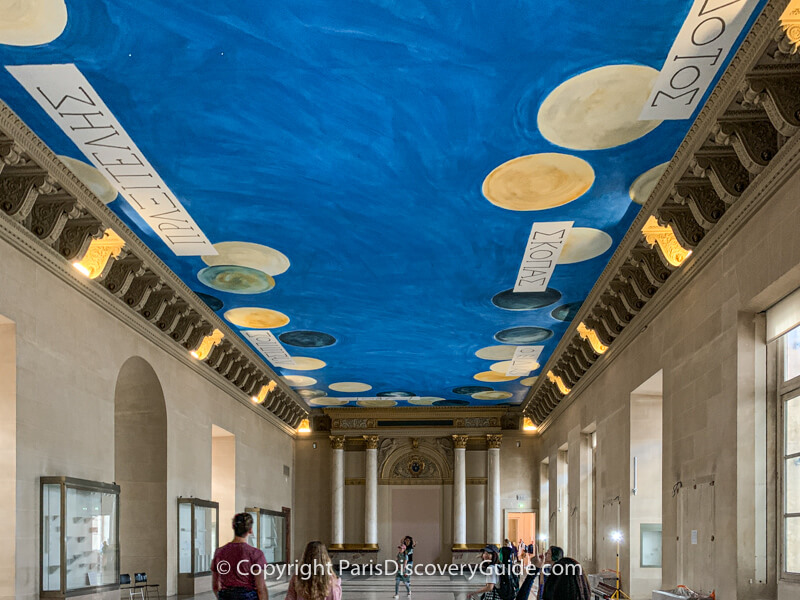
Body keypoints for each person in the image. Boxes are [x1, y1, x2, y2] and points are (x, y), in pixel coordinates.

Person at [211, 513, 268, 600]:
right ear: (250, 530)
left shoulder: (219, 552)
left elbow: (215, 586)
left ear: (233, 527)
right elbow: (261, 588)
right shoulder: (256, 554)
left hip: (226, 595)